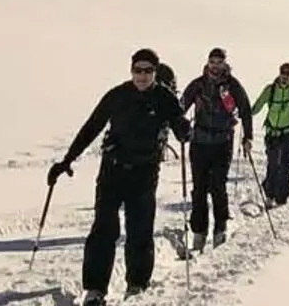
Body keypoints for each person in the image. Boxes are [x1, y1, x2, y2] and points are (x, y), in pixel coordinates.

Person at [48, 48, 191, 306]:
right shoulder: (118, 95)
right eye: (138, 70)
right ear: (131, 71)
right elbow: (92, 126)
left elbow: (179, 122)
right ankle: (94, 290)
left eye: (148, 71)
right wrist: (67, 160)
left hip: (145, 173)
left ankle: (136, 285)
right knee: (103, 229)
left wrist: (183, 128)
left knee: (139, 231)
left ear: (156, 73)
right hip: (112, 170)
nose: (142, 76)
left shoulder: (164, 97)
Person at [177, 47, 253, 250]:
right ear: (207, 62)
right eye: (212, 61)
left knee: (218, 186)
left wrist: (248, 136)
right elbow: (180, 108)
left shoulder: (232, 85)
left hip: (222, 142)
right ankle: (199, 233)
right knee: (199, 189)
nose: (215, 65)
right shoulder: (198, 85)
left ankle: (220, 229)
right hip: (199, 142)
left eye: (219, 62)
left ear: (225, 64)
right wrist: (179, 127)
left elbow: (245, 110)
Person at [251, 63, 289, 206]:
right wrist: (246, 114)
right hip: (272, 133)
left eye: (287, 75)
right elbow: (258, 105)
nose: (284, 78)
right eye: (283, 74)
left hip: (288, 133)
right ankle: (270, 195)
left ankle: (282, 196)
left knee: (284, 165)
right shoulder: (270, 90)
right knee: (273, 165)